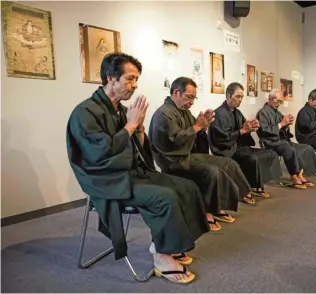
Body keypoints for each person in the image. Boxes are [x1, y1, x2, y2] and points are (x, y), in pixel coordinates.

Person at [66, 53, 210, 284]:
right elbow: (98, 154)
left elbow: (136, 151)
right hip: (106, 180)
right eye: (130, 79)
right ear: (111, 78)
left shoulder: (120, 110)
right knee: (165, 197)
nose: (135, 85)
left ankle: (170, 244)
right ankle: (161, 256)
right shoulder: (84, 113)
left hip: (130, 172)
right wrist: (131, 125)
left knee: (187, 187)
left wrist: (139, 129)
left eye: (136, 80)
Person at [148, 77, 256, 232]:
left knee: (227, 163)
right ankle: (205, 211)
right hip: (173, 159)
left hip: (188, 154)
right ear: (177, 92)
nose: (192, 102)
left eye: (194, 98)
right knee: (210, 171)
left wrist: (202, 126)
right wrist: (197, 127)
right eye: (189, 97)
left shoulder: (183, 111)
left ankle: (224, 202)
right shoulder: (163, 113)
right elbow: (172, 141)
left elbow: (196, 132)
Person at [208, 82, 282, 196]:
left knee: (269, 153)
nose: (240, 100)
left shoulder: (237, 112)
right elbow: (221, 139)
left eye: (242, 97)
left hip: (238, 146)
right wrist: (242, 131)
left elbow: (244, 127)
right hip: (226, 149)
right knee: (252, 158)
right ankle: (246, 189)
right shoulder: (218, 114)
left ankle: (256, 185)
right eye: (237, 96)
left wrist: (252, 126)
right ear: (228, 96)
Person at [256, 89, 316, 187]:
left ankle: (300, 173)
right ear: (270, 99)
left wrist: (287, 124)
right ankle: (293, 175)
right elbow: (265, 131)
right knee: (288, 148)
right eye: (278, 101)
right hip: (271, 142)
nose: (279, 104)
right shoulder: (262, 113)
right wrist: (282, 124)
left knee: (305, 148)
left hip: (281, 140)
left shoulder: (276, 112)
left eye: (281, 101)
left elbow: (282, 127)